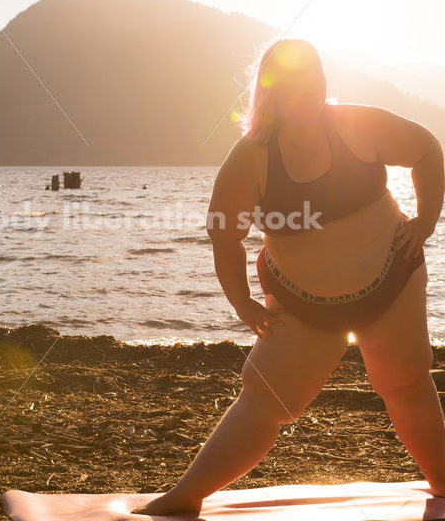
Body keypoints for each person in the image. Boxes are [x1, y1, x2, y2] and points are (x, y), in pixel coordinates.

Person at [131, 38, 445, 516]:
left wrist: (425, 220)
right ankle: (186, 496)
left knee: (406, 385)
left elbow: (425, 149)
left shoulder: (358, 124)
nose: (310, 88)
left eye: (315, 77)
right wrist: (243, 305)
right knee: (265, 399)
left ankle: (444, 484)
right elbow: (224, 235)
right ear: (270, 93)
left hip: (393, 279)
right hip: (303, 307)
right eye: (296, 82)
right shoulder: (252, 157)